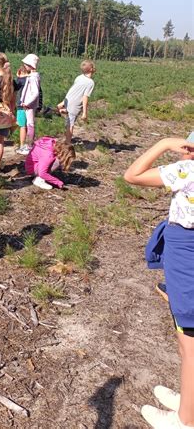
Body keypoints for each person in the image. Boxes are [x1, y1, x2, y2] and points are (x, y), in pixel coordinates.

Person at [124, 137, 194, 429]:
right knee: (185, 338)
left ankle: (185, 420)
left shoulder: (186, 172)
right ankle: (189, 398)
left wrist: (165, 143)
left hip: (187, 259)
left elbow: (132, 175)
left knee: (190, 342)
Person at [57, 60, 96, 143]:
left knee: (69, 119)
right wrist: (84, 113)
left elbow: (72, 90)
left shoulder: (79, 77)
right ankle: (67, 144)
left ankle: (63, 110)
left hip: (68, 100)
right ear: (91, 69)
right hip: (75, 104)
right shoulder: (90, 83)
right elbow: (85, 98)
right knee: (70, 125)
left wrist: (64, 101)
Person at [17, 54, 41, 155]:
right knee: (29, 124)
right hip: (28, 104)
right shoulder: (32, 76)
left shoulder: (33, 77)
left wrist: (27, 102)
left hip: (29, 105)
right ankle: (29, 145)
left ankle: (29, 146)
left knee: (30, 124)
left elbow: (35, 92)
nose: (24, 65)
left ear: (30, 65)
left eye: (26, 64)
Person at [15, 65, 30, 155]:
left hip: (21, 106)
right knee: (28, 125)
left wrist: (18, 77)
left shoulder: (20, 81)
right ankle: (28, 145)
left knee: (22, 126)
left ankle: (22, 146)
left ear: (20, 72)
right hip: (30, 106)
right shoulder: (31, 80)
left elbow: (15, 87)